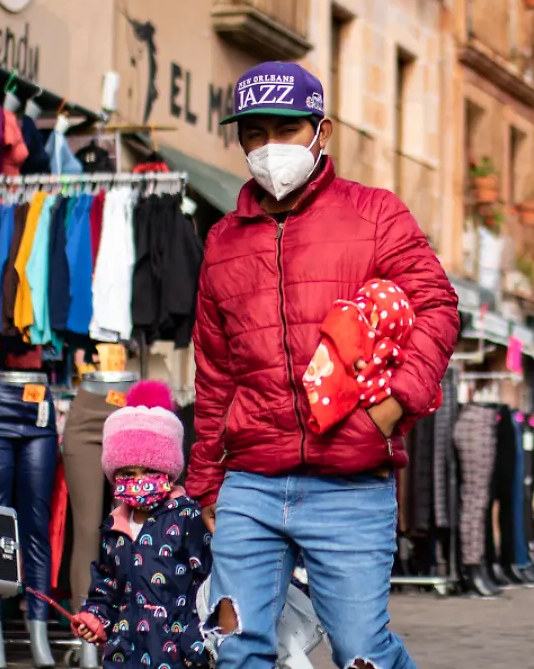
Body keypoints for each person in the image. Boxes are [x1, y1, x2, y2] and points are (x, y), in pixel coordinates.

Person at [186, 62, 459, 669]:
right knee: (236, 648)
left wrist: (389, 412)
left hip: (350, 480)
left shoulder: (376, 215)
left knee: (362, 651)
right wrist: (205, 479)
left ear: (321, 131)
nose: (267, 147)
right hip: (250, 482)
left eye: (285, 130)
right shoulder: (223, 240)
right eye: (253, 133)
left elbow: (436, 307)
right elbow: (215, 370)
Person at [70, 381, 212, 669]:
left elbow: (208, 583)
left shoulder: (187, 518)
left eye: (149, 470)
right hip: (123, 657)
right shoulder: (114, 527)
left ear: (168, 469)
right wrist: (93, 619)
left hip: (178, 658)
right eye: (128, 472)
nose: (138, 479)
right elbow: (106, 588)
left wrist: (193, 640)